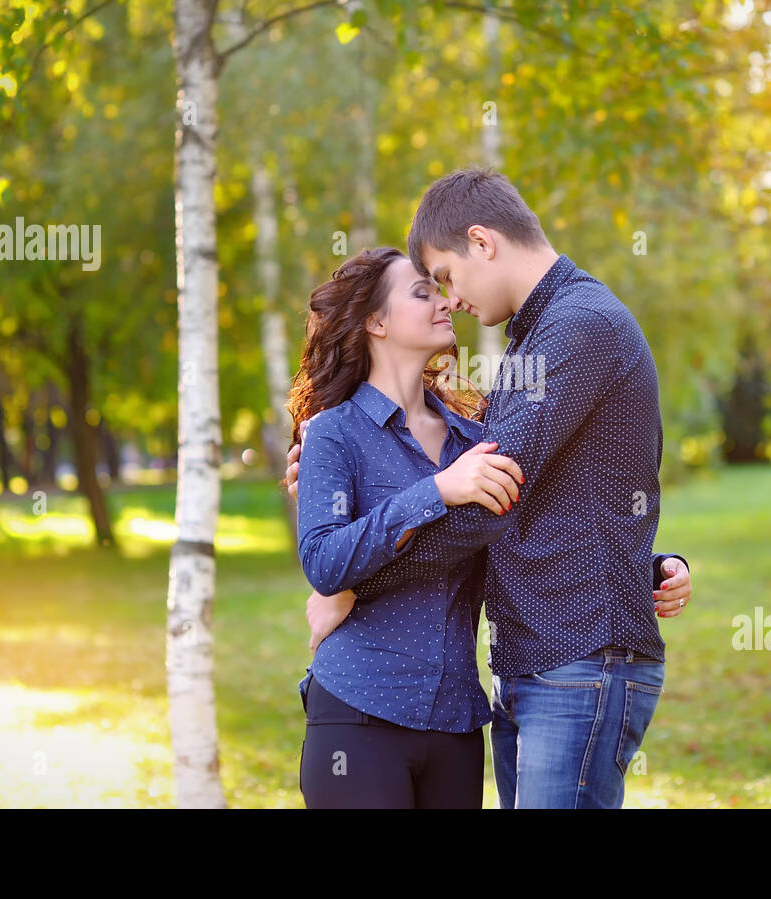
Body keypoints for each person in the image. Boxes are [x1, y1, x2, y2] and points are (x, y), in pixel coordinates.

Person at [288, 167, 693, 809]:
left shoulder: (577, 326)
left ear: (483, 242)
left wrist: (354, 587)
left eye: (445, 276)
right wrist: (642, 569)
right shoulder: (536, 336)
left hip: (576, 657)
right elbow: (545, 508)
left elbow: (485, 511)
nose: (452, 299)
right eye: (429, 289)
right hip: (535, 663)